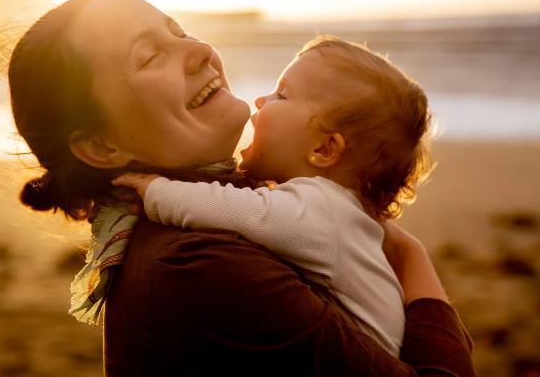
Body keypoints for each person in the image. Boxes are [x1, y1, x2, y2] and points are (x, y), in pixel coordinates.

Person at [7, 0, 475, 376]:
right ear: (101, 148)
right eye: (150, 56)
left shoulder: (225, 218)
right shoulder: (199, 264)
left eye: (179, 31)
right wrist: (412, 259)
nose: (199, 50)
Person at [110, 34, 434, 358]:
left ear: (323, 148)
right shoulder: (340, 214)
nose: (261, 101)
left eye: (282, 94)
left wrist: (155, 191)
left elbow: (238, 210)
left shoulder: (320, 209)